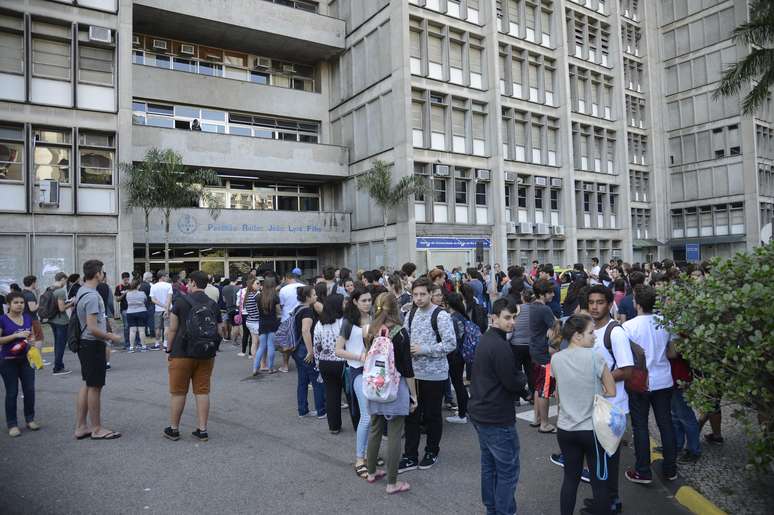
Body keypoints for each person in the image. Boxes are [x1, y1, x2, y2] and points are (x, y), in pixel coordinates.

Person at [551, 314, 617, 515]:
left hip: (566, 429)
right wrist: (597, 391)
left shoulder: (556, 359)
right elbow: (612, 390)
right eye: (591, 333)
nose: (595, 337)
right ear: (577, 336)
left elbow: (558, 394)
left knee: (570, 479)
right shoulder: (596, 357)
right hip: (591, 430)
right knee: (599, 482)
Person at [468, 298, 527, 515]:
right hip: (496, 416)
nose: (512, 322)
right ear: (494, 318)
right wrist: (523, 382)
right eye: (507, 318)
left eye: (514, 317)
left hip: (481, 412)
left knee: (490, 466)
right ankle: (503, 511)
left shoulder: (488, 339)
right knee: (507, 471)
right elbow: (511, 381)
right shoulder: (499, 345)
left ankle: (492, 509)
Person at [398, 277, 456, 473]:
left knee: (432, 415)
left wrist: (424, 349)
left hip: (435, 374)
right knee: (411, 415)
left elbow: (450, 344)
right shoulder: (410, 313)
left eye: (423, 294)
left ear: (431, 294)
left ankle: (432, 451)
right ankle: (410, 456)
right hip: (413, 374)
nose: (419, 298)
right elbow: (405, 338)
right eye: (415, 295)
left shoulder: (441, 316)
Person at [623, 285, 677, 484]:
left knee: (640, 426)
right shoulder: (666, 322)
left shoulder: (629, 327)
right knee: (666, 424)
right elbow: (672, 353)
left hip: (640, 383)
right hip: (664, 380)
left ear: (636, 303)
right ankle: (670, 469)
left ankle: (643, 470)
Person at [587, 284, 634, 514]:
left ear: (609, 304)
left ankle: (610, 502)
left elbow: (627, 370)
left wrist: (598, 380)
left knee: (608, 459)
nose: (595, 307)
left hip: (613, 407)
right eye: (591, 303)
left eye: (600, 302)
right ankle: (603, 499)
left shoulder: (615, 332)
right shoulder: (589, 329)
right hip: (595, 405)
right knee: (598, 458)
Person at [365, 292, 417, 494]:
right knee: (395, 433)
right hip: (395, 388)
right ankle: (392, 482)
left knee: (376, 428)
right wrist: (414, 395)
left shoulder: (371, 331)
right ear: (395, 308)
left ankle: (371, 472)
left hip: (375, 386)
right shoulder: (400, 333)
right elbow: (407, 369)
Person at [163, 270, 224, 442]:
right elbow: (220, 330)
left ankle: (174, 429)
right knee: (202, 392)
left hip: (181, 353)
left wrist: (169, 349)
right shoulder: (213, 304)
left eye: (189, 283)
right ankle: (202, 430)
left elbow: (173, 329)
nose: (188, 285)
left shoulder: (180, 302)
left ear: (193, 283)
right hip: (205, 353)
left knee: (178, 393)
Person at [73, 259, 124, 440]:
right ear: (97, 274)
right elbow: (93, 327)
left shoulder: (81, 291)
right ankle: (96, 428)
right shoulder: (93, 296)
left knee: (87, 384)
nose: (104, 275)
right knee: (95, 387)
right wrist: (112, 336)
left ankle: (81, 427)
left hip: (85, 344)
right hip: (92, 344)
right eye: (102, 272)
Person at [336, 285, 372, 478]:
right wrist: (360, 357)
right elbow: (338, 350)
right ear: (355, 302)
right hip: (357, 371)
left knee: (373, 416)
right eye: (363, 300)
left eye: (369, 300)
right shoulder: (348, 322)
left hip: (376, 372)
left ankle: (367, 453)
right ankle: (360, 458)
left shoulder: (375, 318)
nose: (367, 303)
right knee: (366, 416)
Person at [0, 292, 40, 437]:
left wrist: (32, 340)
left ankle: (30, 419)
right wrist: (15, 336)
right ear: (9, 304)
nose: (19, 305)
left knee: (29, 390)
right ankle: (12, 424)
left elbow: (32, 335)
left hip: (26, 359)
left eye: (22, 302)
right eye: (16, 302)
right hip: (8, 361)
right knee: (12, 392)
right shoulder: (2, 319)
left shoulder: (28, 318)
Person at [529, 279, 560, 433]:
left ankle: (537, 419)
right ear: (542, 294)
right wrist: (554, 343)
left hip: (534, 349)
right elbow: (557, 326)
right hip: (544, 352)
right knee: (545, 390)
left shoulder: (533, 306)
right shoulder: (545, 310)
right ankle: (545, 424)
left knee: (538, 387)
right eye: (550, 292)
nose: (553, 294)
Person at [315, 293, 347, 433]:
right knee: (350, 395)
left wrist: (317, 363)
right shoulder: (344, 322)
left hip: (325, 363)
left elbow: (317, 345)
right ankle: (359, 423)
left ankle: (334, 427)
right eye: (343, 303)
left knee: (331, 395)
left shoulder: (320, 323)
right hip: (342, 362)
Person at [294, 285, 325, 419]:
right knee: (316, 380)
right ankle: (321, 410)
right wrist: (310, 351)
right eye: (313, 295)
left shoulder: (298, 308)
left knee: (302, 381)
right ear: (307, 297)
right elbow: (305, 330)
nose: (316, 297)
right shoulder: (307, 311)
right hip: (305, 349)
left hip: (297, 349)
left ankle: (303, 410)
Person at [445, 293, 470, 424]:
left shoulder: (452, 318)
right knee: (460, 383)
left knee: (458, 384)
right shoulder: (463, 316)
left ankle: (462, 414)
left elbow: (452, 340)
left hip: (454, 355)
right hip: (462, 354)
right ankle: (465, 410)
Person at [255, 276, 280, 374]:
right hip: (272, 322)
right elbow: (278, 310)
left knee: (261, 347)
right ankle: (270, 368)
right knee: (271, 345)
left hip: (262, 322)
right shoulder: (275, 297)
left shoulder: (258, 296)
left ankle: (255, 368)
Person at [49, 272, 71, 375]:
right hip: (61, 321)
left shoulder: (50, 288)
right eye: (65, 281)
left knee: (57, 343)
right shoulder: (61, 291)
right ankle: (58, 368)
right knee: (61, 345)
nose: (65, 283)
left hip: (52, 319)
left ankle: (59, 365)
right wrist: (71, 303)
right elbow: (61, 308)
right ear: (62, 279)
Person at [150, 271, 173, 351]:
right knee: (167, 327)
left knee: (157, 328)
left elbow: (153, 299)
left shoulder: (153, 286)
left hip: (158, 309)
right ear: (162, 277)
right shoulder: (169, 285)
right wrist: (166, 308)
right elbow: (169, 298)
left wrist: (162, 305)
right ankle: (165, 344)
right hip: (168, 309)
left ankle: (157, 343)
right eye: (166, 276)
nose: (167, 278)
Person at [125, 280, 148, 353]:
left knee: (132, 330)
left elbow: (127, 302)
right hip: (141, 311)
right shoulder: (142, 293)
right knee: (141, 330)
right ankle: (143, 347)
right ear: (138, 286)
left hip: (130, 312)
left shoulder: (128, 294)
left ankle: (131, 347)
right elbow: (145, 300)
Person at [243, 278, 261, 373]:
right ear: (252, 285)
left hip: (249, 321)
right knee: (260, 344)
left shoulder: (247, 295)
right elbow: (260, 310)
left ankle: (255, 362)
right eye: (257, 283)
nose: (259, 285)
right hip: (256, 322)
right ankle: (258, 364)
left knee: (254, 343)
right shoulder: (256, 296)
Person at [21, 276, 43, 346]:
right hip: (33, 319)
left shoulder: (22, 293)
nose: (36, 284)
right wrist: (39, 301)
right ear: (33, 283)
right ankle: (37, 356)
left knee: (29, 338)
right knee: (38, 338)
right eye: (36, 282)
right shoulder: (30, 295)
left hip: (24, 318)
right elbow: (32, 309)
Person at [114, 272, 132, 350]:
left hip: (133, 309)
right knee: (126, 326)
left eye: (127, 279)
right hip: (124, 309)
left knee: (134, 326)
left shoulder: (132, 286)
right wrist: (124, 294)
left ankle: (136, 343)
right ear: (122, 279)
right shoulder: (119, 287)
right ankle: (127, 343)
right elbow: (117, 299)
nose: (126, 281)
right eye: (125, 279)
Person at [139, 272, 154, 338]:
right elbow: (152, 296)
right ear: (149, 278)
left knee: (143, 320)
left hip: (142, 305)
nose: (152, 278)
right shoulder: (149, 286)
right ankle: (152, 333)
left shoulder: (140, 285)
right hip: (149, 304)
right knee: (151, 320)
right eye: (151, 277)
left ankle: (145, 333)